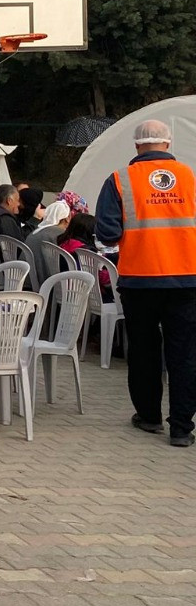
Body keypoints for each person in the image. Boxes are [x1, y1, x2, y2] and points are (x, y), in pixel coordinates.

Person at [95, 118, 196, 447]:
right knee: (184, 353)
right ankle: (181, 427)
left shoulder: (119, 180)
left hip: (140, 279)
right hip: (187, 280)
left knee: (143, 350)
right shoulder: (190, 178)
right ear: (168, 144)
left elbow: (107, 234)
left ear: (137, 145)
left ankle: (149, 416)